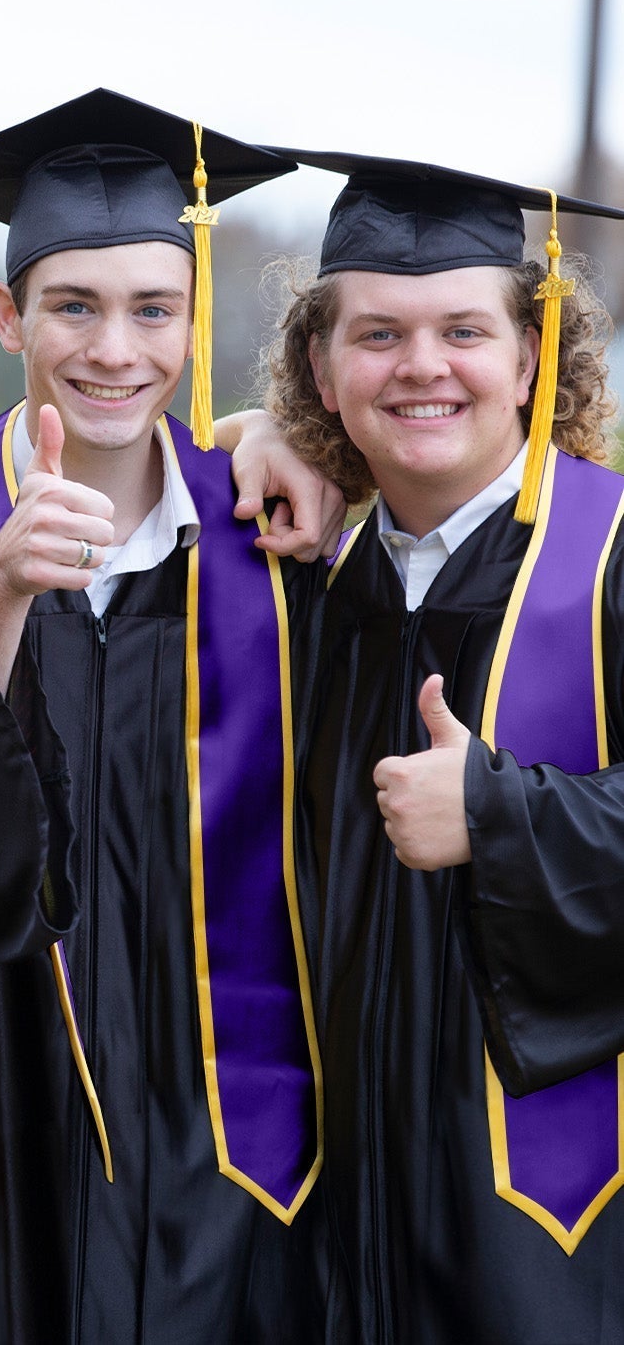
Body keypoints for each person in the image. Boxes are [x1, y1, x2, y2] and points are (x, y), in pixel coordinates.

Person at [0, 90, 328, 1344]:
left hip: (231, 1141)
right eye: (74, 307)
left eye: (154, 309)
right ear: (9, 318)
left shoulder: (279, 536)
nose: (117, 349)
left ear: (194, 316)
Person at [256, 151, 624, 1343]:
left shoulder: (613, 558)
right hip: (336, 1235)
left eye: (463, 330)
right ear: (320, 364)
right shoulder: (293, 589)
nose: (422, 367)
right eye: (378, 335)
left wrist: (502, 815)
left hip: (567, 1242)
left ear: (531, 353)